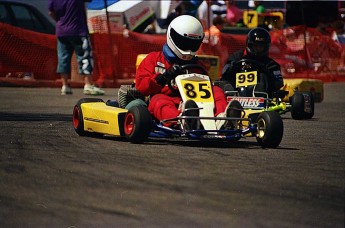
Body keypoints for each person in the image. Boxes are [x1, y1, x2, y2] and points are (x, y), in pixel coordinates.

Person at [135, 15, 238, 130]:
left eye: (192, 44)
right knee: (158, 100)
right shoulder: (153, 59)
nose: (188, 48)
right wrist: (163, 77)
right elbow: (141, 87)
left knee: (216, 91)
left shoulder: (197, 64)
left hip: (195, 103)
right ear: (172, 36)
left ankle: (222, 120)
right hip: (168, 100)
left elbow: (206, 87)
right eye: (184, 43)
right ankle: (183, 121)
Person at [48, 0, 105, 95]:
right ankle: (88, 84)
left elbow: (51, 12)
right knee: (84, 57)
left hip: (61, 31)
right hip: (78, 30)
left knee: (63, 58)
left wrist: (60, 21)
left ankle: (65, 85)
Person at [221, 27, 284, 97]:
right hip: (236, 92)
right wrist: (234, 67)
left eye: (261, 47)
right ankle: (231, 93)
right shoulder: (237, 57)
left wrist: (266, 72)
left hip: (261, 96)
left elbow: (278, 82)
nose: (258, 49)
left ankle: (258, 93)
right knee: (223, 82)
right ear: (250, 45)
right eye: (256, 46)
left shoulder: (270, 64)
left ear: (266, 47)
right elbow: (224, 73)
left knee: (263, 76)